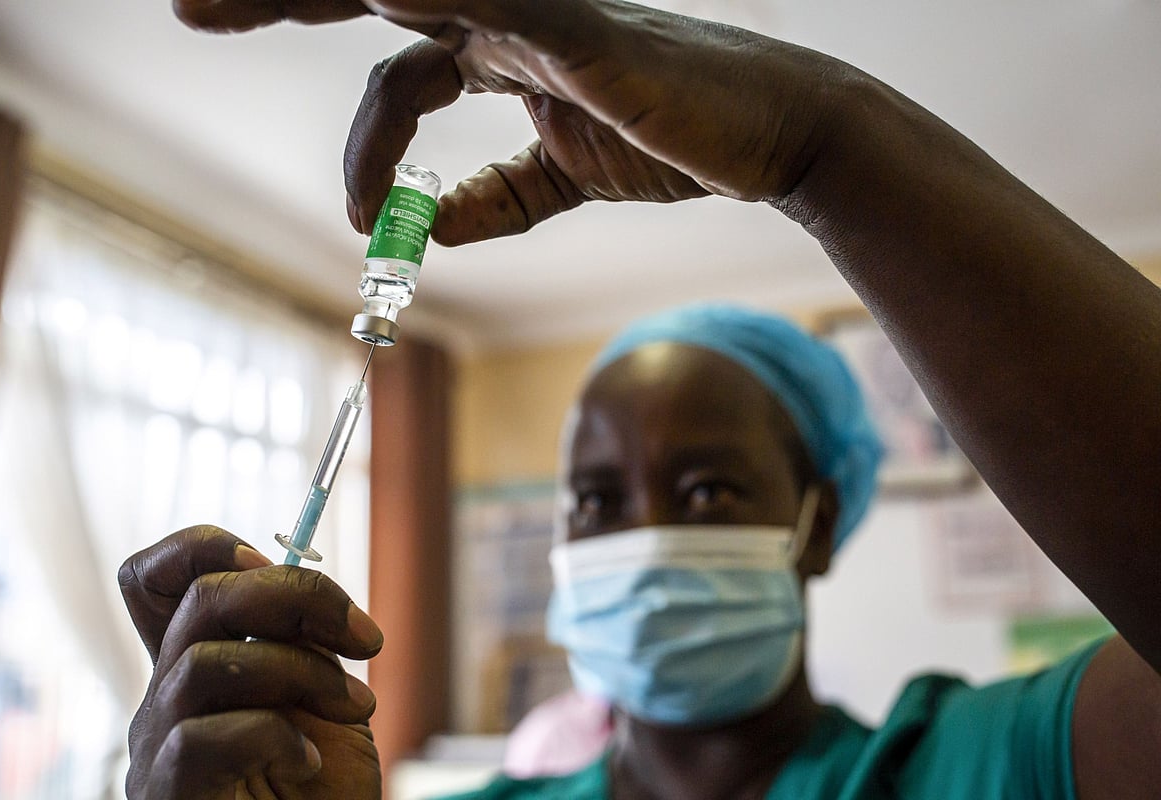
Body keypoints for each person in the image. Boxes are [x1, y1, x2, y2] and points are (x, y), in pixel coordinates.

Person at [118, 0, 1161, 797]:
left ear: (818, 520)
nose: (646, 534)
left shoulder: (978, 765)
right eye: (597, 501)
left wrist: (822, 147)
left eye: (707, 491)